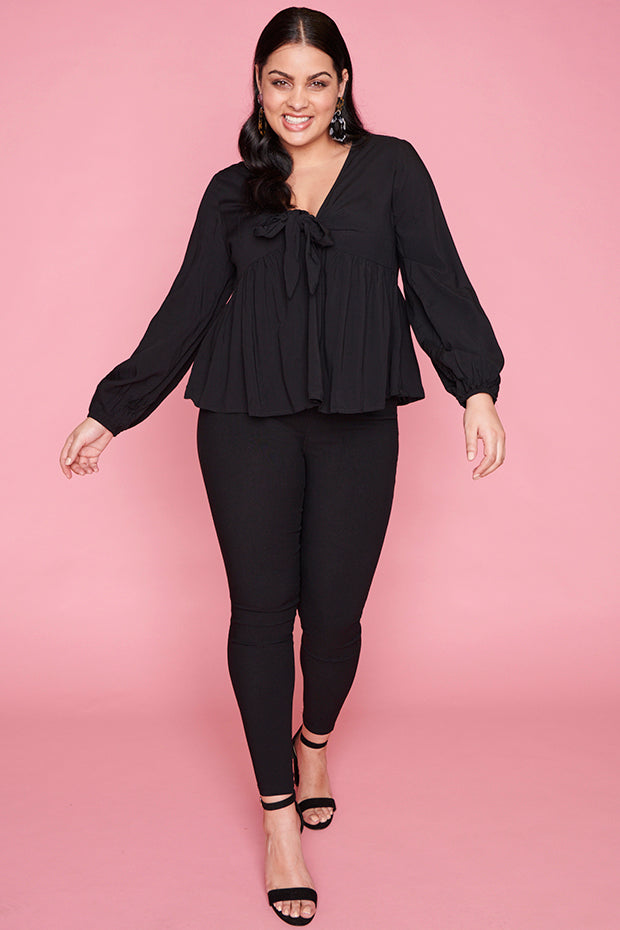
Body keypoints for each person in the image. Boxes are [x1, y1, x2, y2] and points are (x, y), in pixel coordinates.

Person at [59, 6, 506, 925]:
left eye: (315, 80)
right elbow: (187, 307)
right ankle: (278, 822)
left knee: (334, 623)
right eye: (278, 80)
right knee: (261, 617)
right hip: (243, 421)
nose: (296, 99)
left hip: (357, 424)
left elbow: (437, 280)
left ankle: (315, 741)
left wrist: (477, 389)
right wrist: (113, 410)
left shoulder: (393, 168)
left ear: (343, 86)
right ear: (258, 88)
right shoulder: (232, 190)